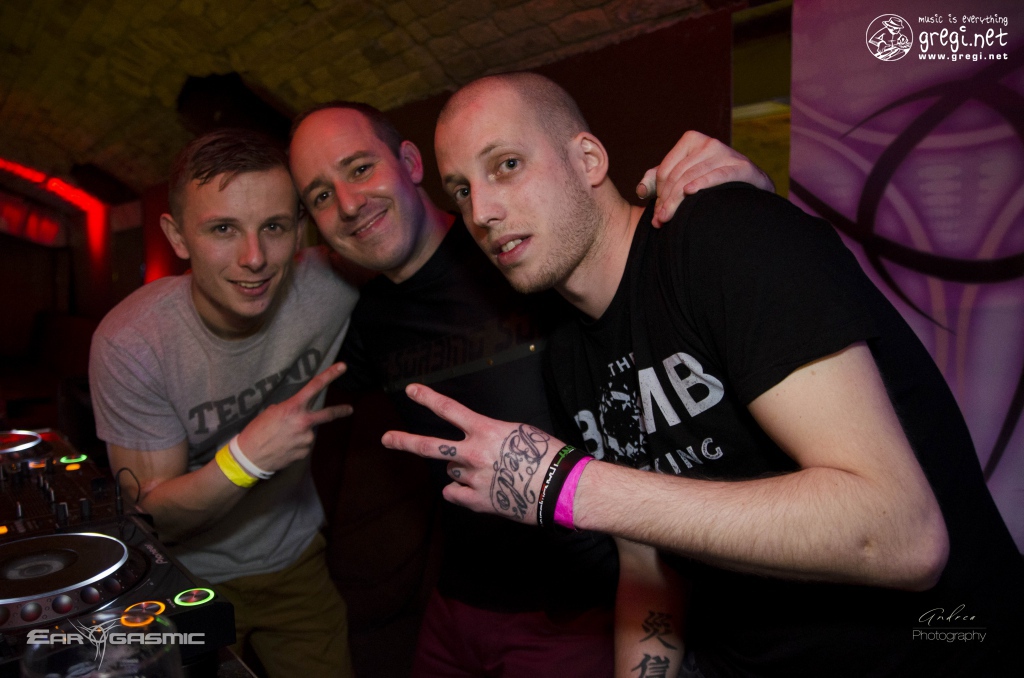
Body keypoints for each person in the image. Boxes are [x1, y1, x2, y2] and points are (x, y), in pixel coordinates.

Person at [381, 72, 1024, 676]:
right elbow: (647, 563)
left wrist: (568, 487)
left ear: (588, 159)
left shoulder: (722, 238)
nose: (482, 211)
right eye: (461, 189)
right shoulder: (569, 356)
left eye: (506, 165)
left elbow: (903, 537)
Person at [288, 101, 774, 677]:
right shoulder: (368, 318)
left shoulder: (522, 248)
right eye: (321, 196)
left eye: (361, 168)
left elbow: (644, 278)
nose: (348, 203)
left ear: (410, 163)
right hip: (456, 604)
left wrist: (742, 203)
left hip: (578, 610)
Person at [89, 129, 358, 678]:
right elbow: (152, 513)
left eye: (274, 227)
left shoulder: (330, 284)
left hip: (296, 564)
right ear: (178, 236)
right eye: (223, 229)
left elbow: (422, 244)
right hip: (182, 577)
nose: (254, 258)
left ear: (299, 228)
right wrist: (246, 459)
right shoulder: (133, 341)